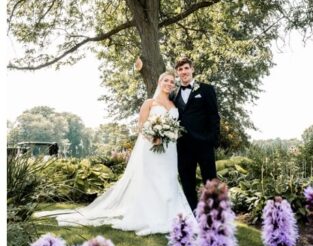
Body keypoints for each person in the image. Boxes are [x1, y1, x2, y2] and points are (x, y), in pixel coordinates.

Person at [50, 72, 192, 235]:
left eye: (172, 82)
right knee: (152, 180)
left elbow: (175, 126)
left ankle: (170, 214)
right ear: (159, 82)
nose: (169, 83)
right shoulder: (150, 103)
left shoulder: (173, 104)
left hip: (170, 150)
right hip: (151, 148)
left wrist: (171, 134)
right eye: (166, 80)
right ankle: (150, 215)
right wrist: (154, 138)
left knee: (168, 179)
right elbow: (141, 126)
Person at [172, 57, 220, 210]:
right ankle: (192, 214)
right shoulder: (173, 94)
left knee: (210, 180)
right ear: (177, 73)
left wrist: (212, 139)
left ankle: (214, 214)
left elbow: (214, 116)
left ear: (192, 69)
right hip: (183, 146)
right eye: (180, 69)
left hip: (203, 144)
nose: (183, 72)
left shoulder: (206, 89)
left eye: (186, 68)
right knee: (187, 182)